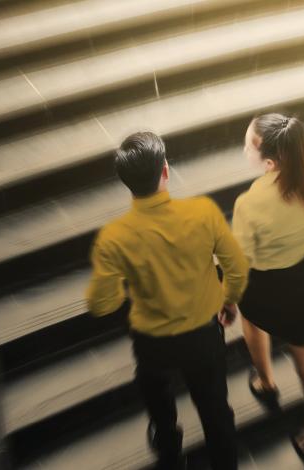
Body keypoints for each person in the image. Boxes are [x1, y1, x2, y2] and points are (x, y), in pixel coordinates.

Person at [85, 131, 249, 470]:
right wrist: (229, 302)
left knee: (157, 399)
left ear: (126, 183)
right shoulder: (203, 213)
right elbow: (237, 267)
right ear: (165, 170)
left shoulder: (113, 238)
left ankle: (170, 451)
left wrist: (117, 291)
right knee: (216, 412)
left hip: (153, 343)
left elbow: (101, 304)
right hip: (203, 336)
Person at [232, 113, 304, 469]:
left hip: (264, 285)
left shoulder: (250, 204)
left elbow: (242, 260)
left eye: (248, 146)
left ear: (270, 162)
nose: (244, 149)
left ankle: (265, 380)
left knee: (253, 323)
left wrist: (228, 297)